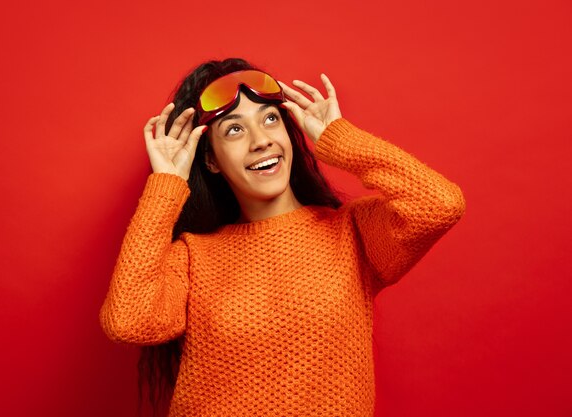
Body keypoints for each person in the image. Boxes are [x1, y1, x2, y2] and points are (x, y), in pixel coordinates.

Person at [99, 58, 466, 417]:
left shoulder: (352, 233)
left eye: (270, 119)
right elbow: (128, 321)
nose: (261, 141)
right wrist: (168, 183)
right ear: (211, 160)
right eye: (234, 129)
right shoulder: (195, 256)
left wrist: (341, 139)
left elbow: (439, 204)